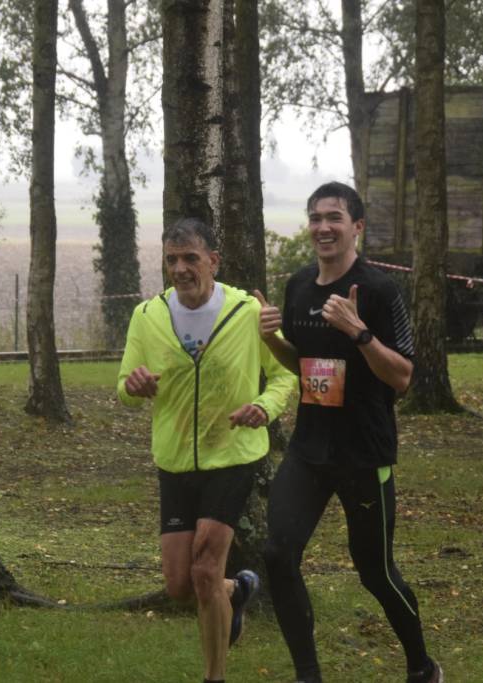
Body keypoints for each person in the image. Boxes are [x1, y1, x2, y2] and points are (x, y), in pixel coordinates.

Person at [257, 182, 442, 683]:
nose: (323, 227)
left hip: (363, 452)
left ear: (357, 226)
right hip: (309, 449)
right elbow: (303, 366)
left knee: (375, 573)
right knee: (278, 554)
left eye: (334, 217)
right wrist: (270, 339)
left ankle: (422, 667)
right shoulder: (299, 286)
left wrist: (359, 333)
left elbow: (403, 377)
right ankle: (308, 675)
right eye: (316, 217)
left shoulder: (379, 290)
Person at [116, 217, 297, 683]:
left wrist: (264, 407)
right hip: (174, 459)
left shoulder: (246, 312)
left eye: (190, 258)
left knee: (204, 571)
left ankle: (214, 676)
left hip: (232, 455)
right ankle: (236, 591)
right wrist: (133, 385)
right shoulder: (147, 316)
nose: (180, 268)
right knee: (180, 585)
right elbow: (124, 384)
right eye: (171, 259)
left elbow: (284, 376)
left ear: (213, 261)